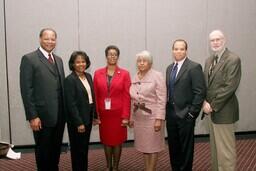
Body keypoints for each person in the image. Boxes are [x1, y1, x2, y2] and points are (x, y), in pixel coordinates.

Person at [20, 28, 65, 170]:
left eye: (53, 39)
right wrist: (33, 116)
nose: (50, 42)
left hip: (59, 115)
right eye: (47, 38)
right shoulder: (29, 59)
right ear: (40, 39)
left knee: (55, 149)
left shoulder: (58, 60)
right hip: (41, 116)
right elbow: (27, 91)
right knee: (43, 151)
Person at [202, 30, 241, 171]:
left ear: (225, 40)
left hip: (224, 111)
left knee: (226, 152)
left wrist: (211, 105)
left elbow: (229, 86)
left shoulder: (233, 59)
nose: (215, 42)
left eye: (218, 39)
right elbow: (205, 85)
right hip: (210, 111)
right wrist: (204, 102)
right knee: (215, 150)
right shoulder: (209, 60)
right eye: (212, 40)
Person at [166, 39, 206, 171]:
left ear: (186, 51)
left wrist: (191, 113)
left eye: (181, 49)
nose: (178, 51)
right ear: (172, 51)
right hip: (171, 115)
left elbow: (200, 92)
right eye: (176, 49)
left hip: (186, 115)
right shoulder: (169, 68)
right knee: (173, 147)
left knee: (186, 149)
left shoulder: (194, 67)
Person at [93, 45, 131, 171]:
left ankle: (115, 167)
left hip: (118, 115)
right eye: (110, 54)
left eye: (115, 54)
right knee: (106, 140)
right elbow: (95, 95)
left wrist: (126, 116)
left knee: (117, 141)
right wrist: (96, 114)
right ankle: (108, 165)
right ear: (106, 56)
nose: (112, 56)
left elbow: (127, 96)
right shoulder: (98, 73)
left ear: (118, 57)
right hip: (104, 115)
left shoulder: (125, 74)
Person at [129, 50, 166, 171]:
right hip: (139, 118)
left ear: (150, 63)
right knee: (144, 147)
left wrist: (159, 119)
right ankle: (147, 168)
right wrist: (131, 118)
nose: (141, 63)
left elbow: (162, 99)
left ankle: (151, 169)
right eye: (139, 61)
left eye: (144, 61)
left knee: (153, 146)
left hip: (152, 117)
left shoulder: (157, 76)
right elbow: (132, 100)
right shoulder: (135, 76)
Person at [64, 51, 97, 171]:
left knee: (84, 149)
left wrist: (94, 116)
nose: (81, 64)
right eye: (77, 62)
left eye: (83, 61)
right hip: (77, 122)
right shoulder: (70, 80)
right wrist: (79, 123)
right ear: (72, 64)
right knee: (77, 151)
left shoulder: (88, 76)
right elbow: (71, 104)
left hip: (87, 118)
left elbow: (91, 98)